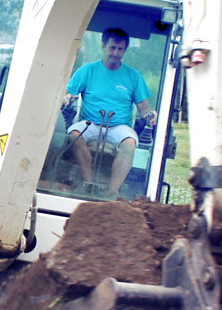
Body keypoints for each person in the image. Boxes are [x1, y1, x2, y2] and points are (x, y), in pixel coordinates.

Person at [62, 27, 157, 197]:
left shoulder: (133, 76)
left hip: (119, 126)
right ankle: (88, 183)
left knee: (130, 142)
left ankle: (112, 192)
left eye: (120, 49)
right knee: (74, 133)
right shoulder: (87, 71)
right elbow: (70, 94)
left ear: (124, 50)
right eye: (112, 48)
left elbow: (144, 108)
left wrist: (150, 114)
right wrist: (68, 98)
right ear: (103, 46)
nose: (116, 53)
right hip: (90, 123)